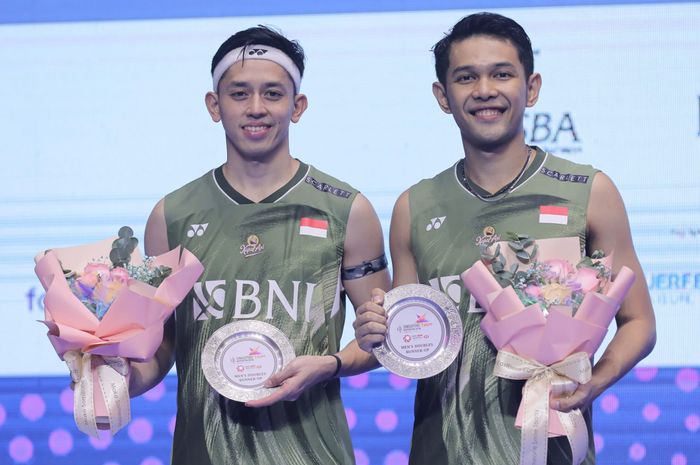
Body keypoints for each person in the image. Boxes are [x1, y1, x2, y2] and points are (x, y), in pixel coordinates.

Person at [353, 12, 656, 465]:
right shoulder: (414, 207)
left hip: (552, 448)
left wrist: (597, 380)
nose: (485, 90)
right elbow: (406, 334)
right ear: (443, 95)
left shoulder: (589, 192)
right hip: (441, 451)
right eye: (466, 77)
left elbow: (639, 322)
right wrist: (376, 332)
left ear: (531, 88)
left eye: (502, 74)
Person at [129, 26, 390, 465]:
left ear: (297, 105)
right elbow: (160, 350)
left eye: (272, 93)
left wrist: (331, 364)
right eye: (238, 93)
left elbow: (382, 339)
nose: (256, 109)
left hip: (315, 453)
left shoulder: (348, 210)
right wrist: (113, 373)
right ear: (214, 105)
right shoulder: (171, 216)